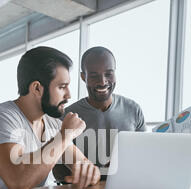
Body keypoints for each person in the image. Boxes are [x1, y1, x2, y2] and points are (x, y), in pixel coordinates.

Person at [0, 46, 101, 189]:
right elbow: (18, 182)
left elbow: (83, 165)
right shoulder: (1, 117)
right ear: (36, 88)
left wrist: (88, 172)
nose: (69, 95)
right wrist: (65, 135)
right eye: (62, 87)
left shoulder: (54, 124)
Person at [60, 46, 146, 177]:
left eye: (109, 74)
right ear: (83, 77)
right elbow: (58, 172)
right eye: (94, 76)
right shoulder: (67, 116)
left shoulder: (133, 109)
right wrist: (96, 173)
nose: (102, 81)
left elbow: (143, 155)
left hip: (127, 186)